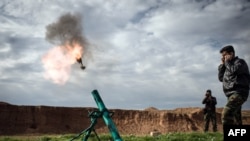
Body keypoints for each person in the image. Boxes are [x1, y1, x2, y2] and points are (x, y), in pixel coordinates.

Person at [218, 45, 250, 125]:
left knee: (226, 114)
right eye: (222, 56)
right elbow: (221, 78)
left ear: (231, 54)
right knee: (237, 120)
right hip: (230, 95)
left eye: (225, 55)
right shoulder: (227, 66)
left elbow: (234, 71)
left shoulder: (240, 62)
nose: (223, 58)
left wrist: (227, 63)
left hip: (239, 93)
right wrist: (222, 65)